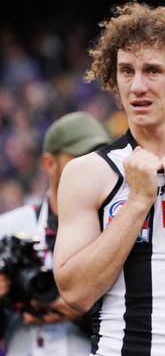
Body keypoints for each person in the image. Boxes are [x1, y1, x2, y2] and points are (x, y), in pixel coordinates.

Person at [52, 2, 165, 355]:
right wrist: (137, 203)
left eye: (152, 71)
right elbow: (74, 293)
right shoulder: (86, 172)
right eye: (126, 71)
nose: (137, 86)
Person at [0, 111, 112, 355]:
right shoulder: (8, 229)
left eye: (100, 156)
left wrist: (81, 311)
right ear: (49, 163)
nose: (91, 165)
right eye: (80, 157)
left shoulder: (117, 229)